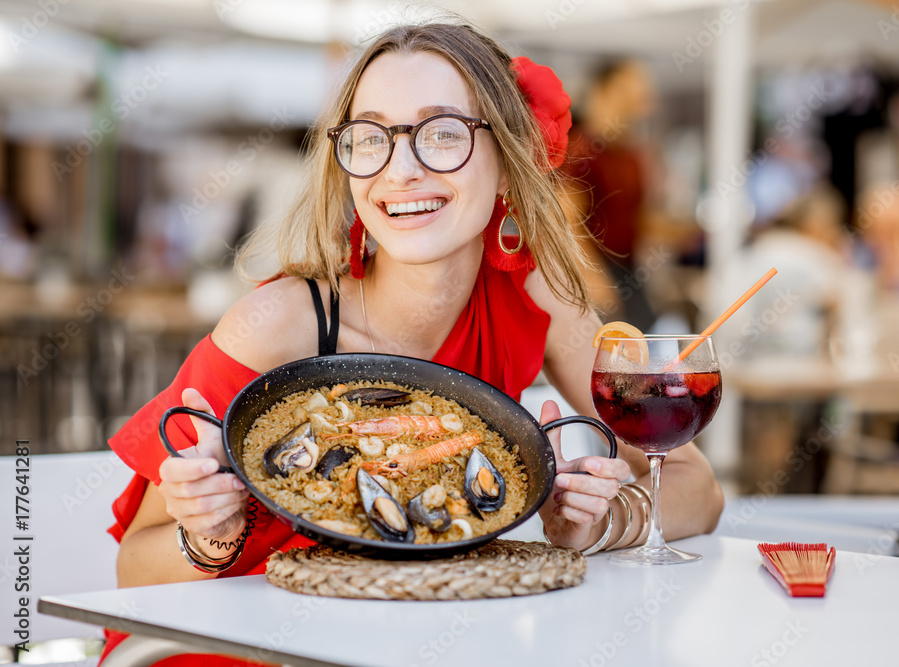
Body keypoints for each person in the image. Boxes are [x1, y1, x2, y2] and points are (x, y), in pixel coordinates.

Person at [105, 22, 723, 666]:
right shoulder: (275, 327)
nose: (401, 171)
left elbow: (694, 487)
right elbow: (133, 571)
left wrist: (596, 524)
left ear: (510, 161)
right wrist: (209, 538)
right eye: (371, 139)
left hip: (412, 644)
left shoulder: (534, 293)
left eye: (444, 134)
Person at [562, 58, 660, 330]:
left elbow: (638, 219)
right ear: (605, 92)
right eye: (630, 93)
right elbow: (567, 224)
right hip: (596, 272)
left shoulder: (631, 155)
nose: (640, 103)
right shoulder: (580, 149)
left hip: (627, 270)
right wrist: (596, 282)